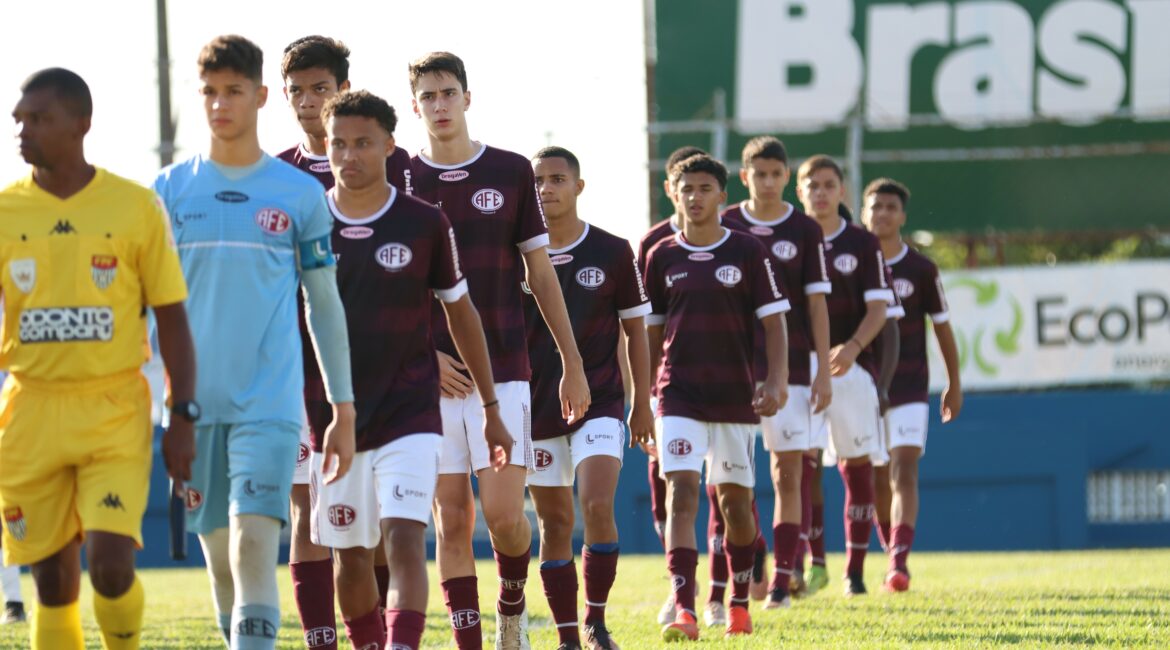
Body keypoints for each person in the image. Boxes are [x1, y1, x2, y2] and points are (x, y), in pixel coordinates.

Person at [153, 35, 356, 649]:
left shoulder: (297, 195)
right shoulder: (167, 191)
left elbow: (325, 305)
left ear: (260, 96)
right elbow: (147, 310)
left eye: (233, 91)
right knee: (219, 556)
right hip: (192, 408)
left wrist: (342, 407)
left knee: (254, 541)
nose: (220, 105)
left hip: (271, 405)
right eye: (210, 92)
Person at [302, 89, 508, 650]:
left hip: (411, 414)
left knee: (403, 540)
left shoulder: (424, 222)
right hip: (333, 420)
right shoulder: (306, 221)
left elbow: (461, 313)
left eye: (363, 143)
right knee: (351, 558)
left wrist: (491, 407)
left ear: (390, 145)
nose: (349, 155)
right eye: (338, 144)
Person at [0, 67, 196, 649]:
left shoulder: (134, 206)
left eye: (39, 118)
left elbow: (173, 317)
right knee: (52, 582)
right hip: (30, 409)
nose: (21, 128)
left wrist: (181, 413)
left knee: (110, 567)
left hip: (113, 407)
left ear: (81, 124)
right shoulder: (6, 211)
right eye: (19, 118)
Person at [406, 51, 590, 649]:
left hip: (505, 372)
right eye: (428, 96)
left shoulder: (510, 171)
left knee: (506, 519)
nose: (439, 105)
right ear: (415, 105)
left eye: (448, 93)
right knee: (451, 520)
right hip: (428, 378)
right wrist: (425, 356)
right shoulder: (402, 178)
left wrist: (571, 360)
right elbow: (393, 283)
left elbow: (541, 274)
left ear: (467, 98)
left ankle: (513, 598)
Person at [276, 34, 404, 649]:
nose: (306, 101)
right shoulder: (273, 175)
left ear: (344, 90)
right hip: (298, 373)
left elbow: (421, 267)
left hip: (384, 372)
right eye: (296, 90)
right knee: (307, 511)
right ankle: (322, 642)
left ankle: (371, 636)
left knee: (370, 524)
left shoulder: (386, 164)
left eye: (319, 88)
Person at [645, 154, 790, 641]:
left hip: (734, 397)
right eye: (687, 188)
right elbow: (650, 333)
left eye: (705, 188)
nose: (695, 196)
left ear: (723, 195)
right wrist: (643, 397)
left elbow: (775, 322)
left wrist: (776, 381)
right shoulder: (660, 255)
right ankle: (684, 607)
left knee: (735, 507)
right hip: (677, 395)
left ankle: (739, 603)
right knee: (681, 493)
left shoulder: (748, 251)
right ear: (673, 192)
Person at [525, 147, 653, 650]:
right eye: (537, 181)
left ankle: (595, 623)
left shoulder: (613, 249)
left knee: (597, 503)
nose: (546, 189)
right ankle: (565, 638)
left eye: (557, 179)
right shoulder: (515, 254)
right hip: (533, 407)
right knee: (555, 522)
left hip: (600, 400)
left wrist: (641, 402)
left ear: (579, 186)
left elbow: (636, 331)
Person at [722, 136, 832, 608]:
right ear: (744, 177)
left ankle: (783, 584)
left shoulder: (805, 231)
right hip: (733, 368)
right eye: (758, 174)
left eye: (775, 174)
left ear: (787, 177)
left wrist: (823, 370)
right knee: (731, 480)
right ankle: (755, 562)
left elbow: (816, 303)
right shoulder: (725, 224)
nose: (768, 182)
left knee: (790, 473)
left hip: (794, 367)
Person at [795, 155, 895, 597]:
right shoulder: (786, 238)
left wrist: (853, 348)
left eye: (828, 184)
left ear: (842, 191)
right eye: (812, 185)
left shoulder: (861, 243)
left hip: (850, 370)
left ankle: (854, 572)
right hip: (799, 369)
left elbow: (880, 311)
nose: (820, 192)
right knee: (801, 466)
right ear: (800, 192)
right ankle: (812, 564)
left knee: (857, 469)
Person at [860, 178, 962, 593]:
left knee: (904, 466)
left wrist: (954, 383)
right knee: (878, 476)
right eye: (875, 206)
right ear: (864, 211)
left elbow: (941, 328)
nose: (882, 213)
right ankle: (890, 555)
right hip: (864, 387)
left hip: (909, 387)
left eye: (890, 207)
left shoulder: (921, 269)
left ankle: (899, 563)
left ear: (902, 216)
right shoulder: (849, 263)